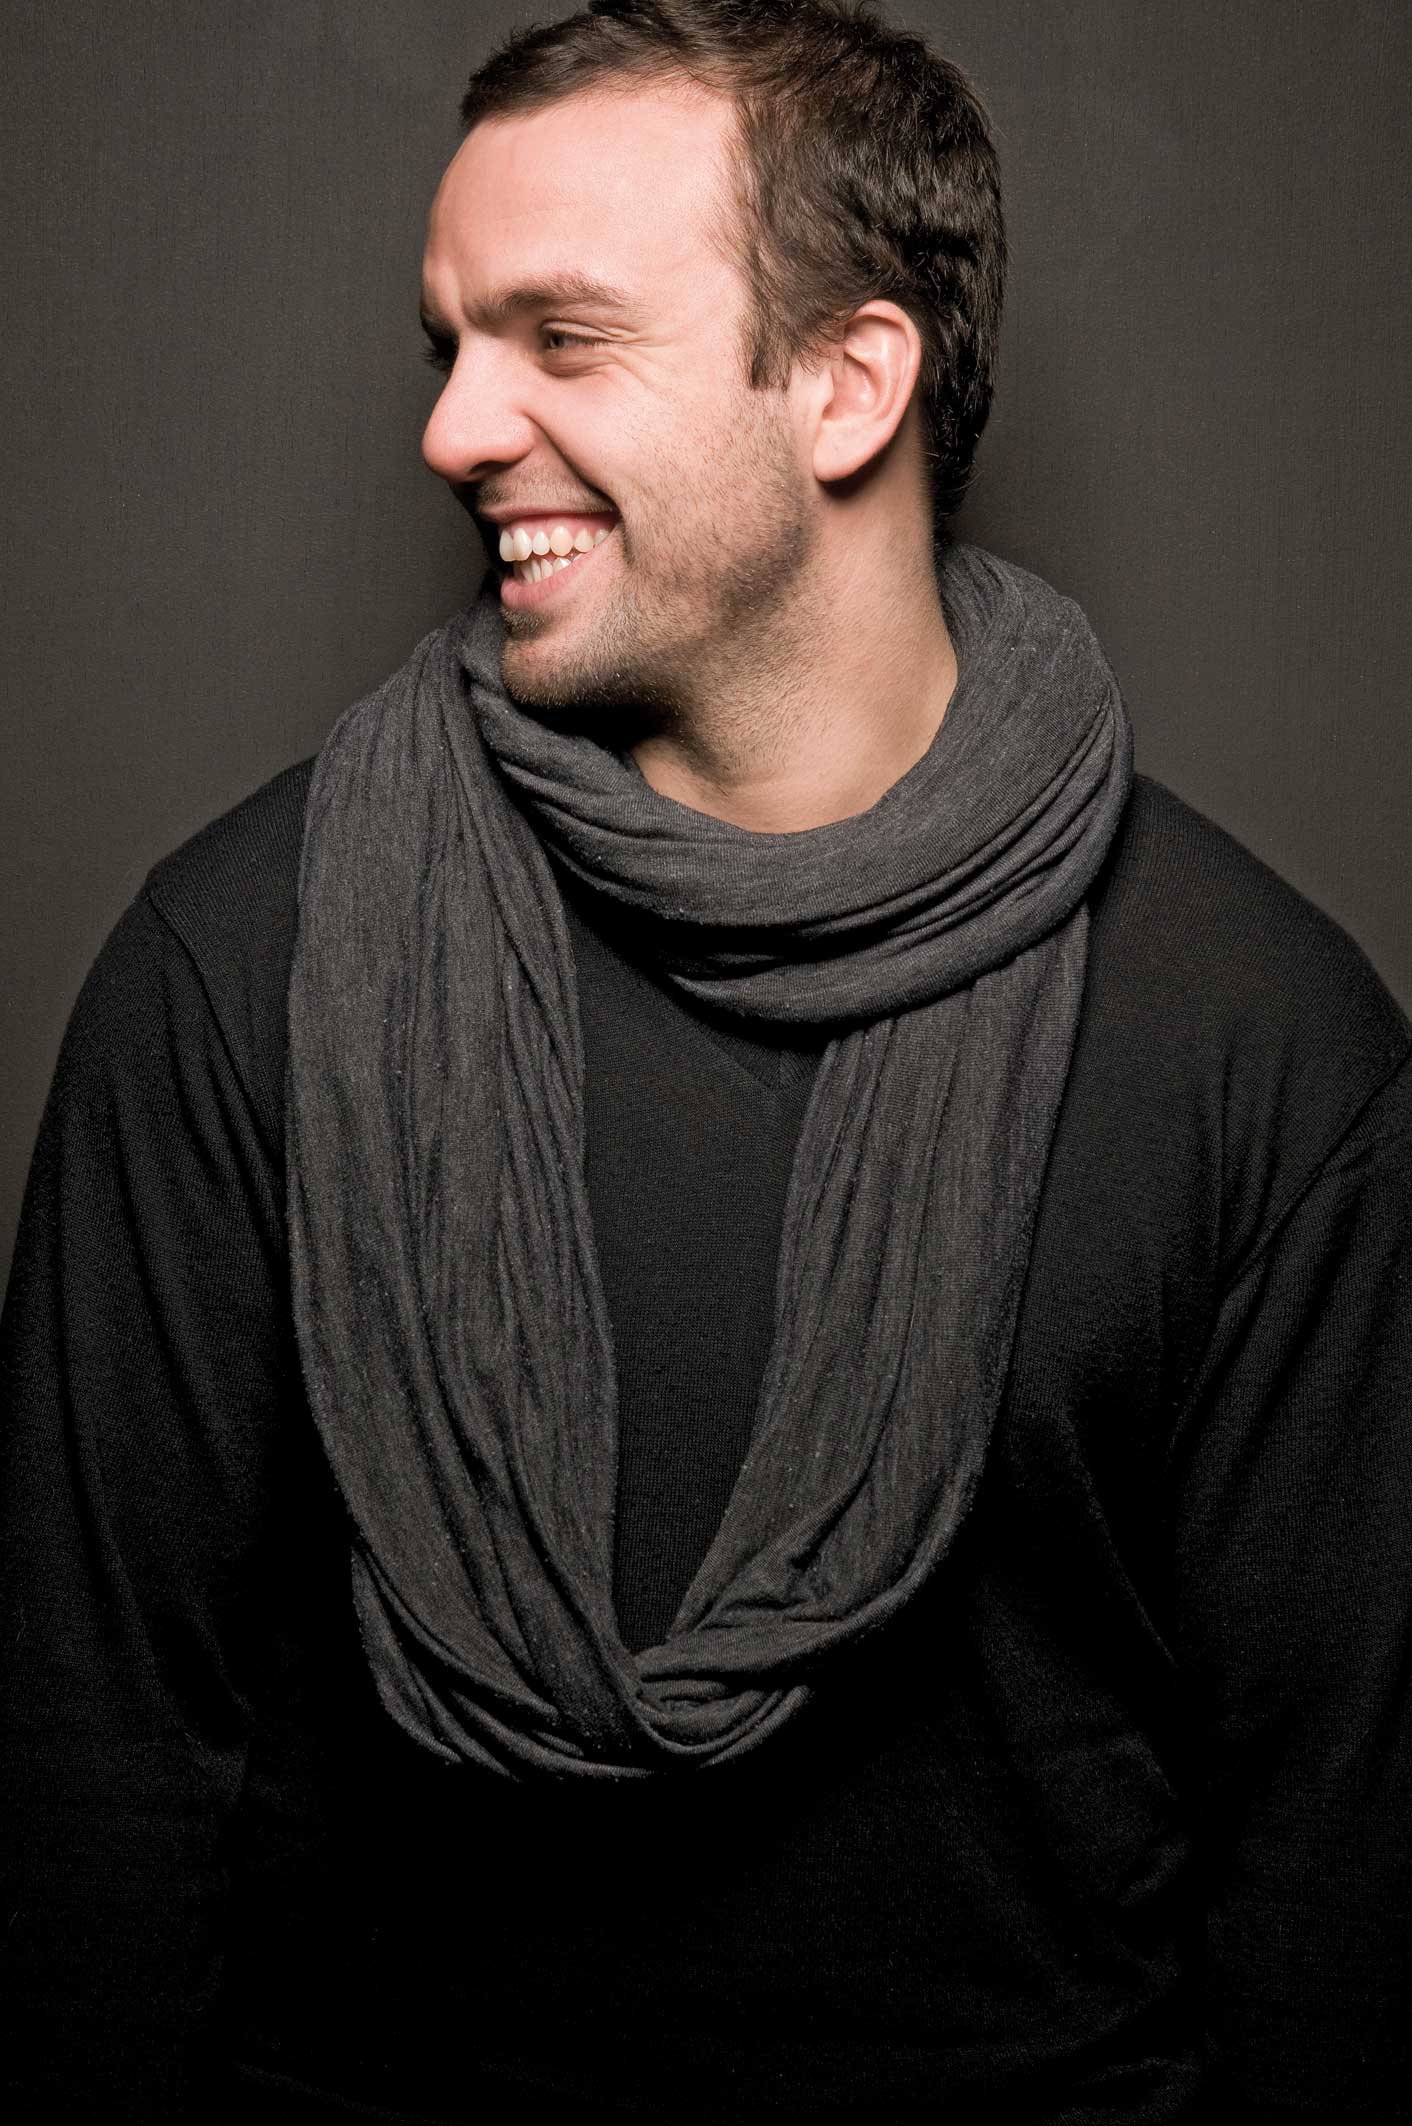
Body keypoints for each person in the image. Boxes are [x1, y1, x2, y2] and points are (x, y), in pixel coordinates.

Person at [2, 1, 1409, 2119]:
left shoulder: (1258, 1040)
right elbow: (85, 1778)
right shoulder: (238, 964)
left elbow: (1339, 1875)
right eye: (449, 347)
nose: (453, 430)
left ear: (848, 383)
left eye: (560, 340)